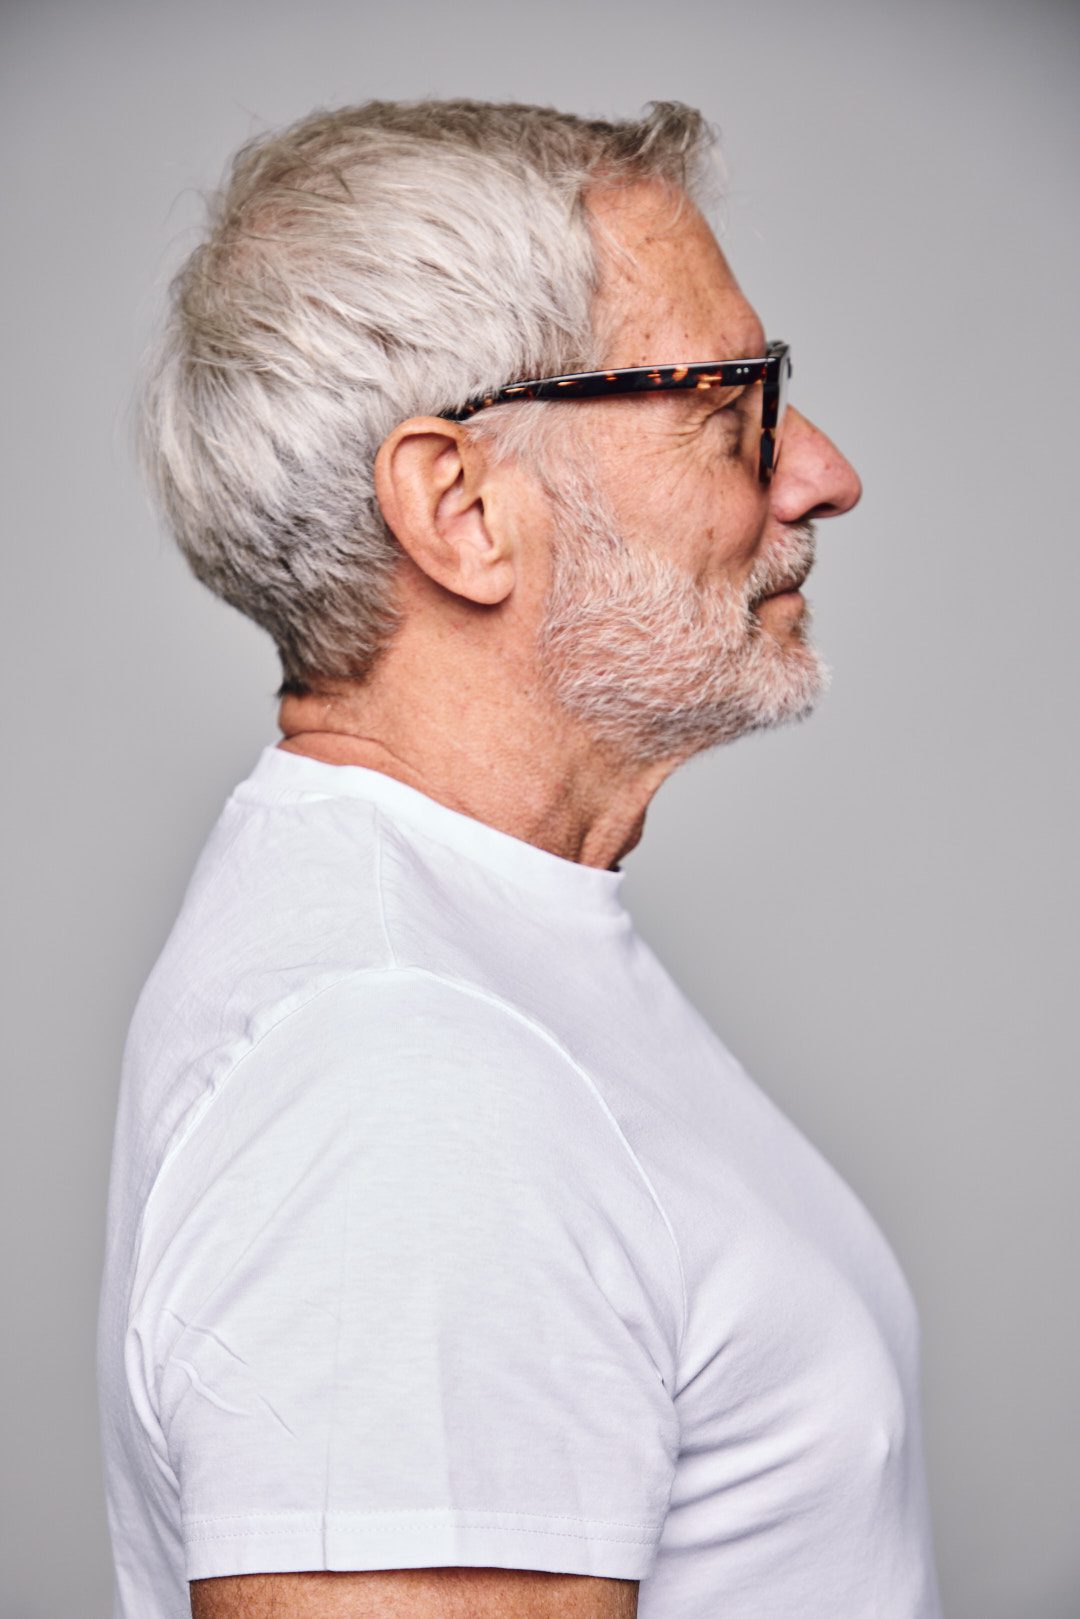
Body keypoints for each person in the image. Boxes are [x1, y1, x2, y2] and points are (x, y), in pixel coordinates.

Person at [96, 98, 942, 1619]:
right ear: (462, 510)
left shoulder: (464, 966)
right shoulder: (404, 1080)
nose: (819, 471)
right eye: (728, 411)